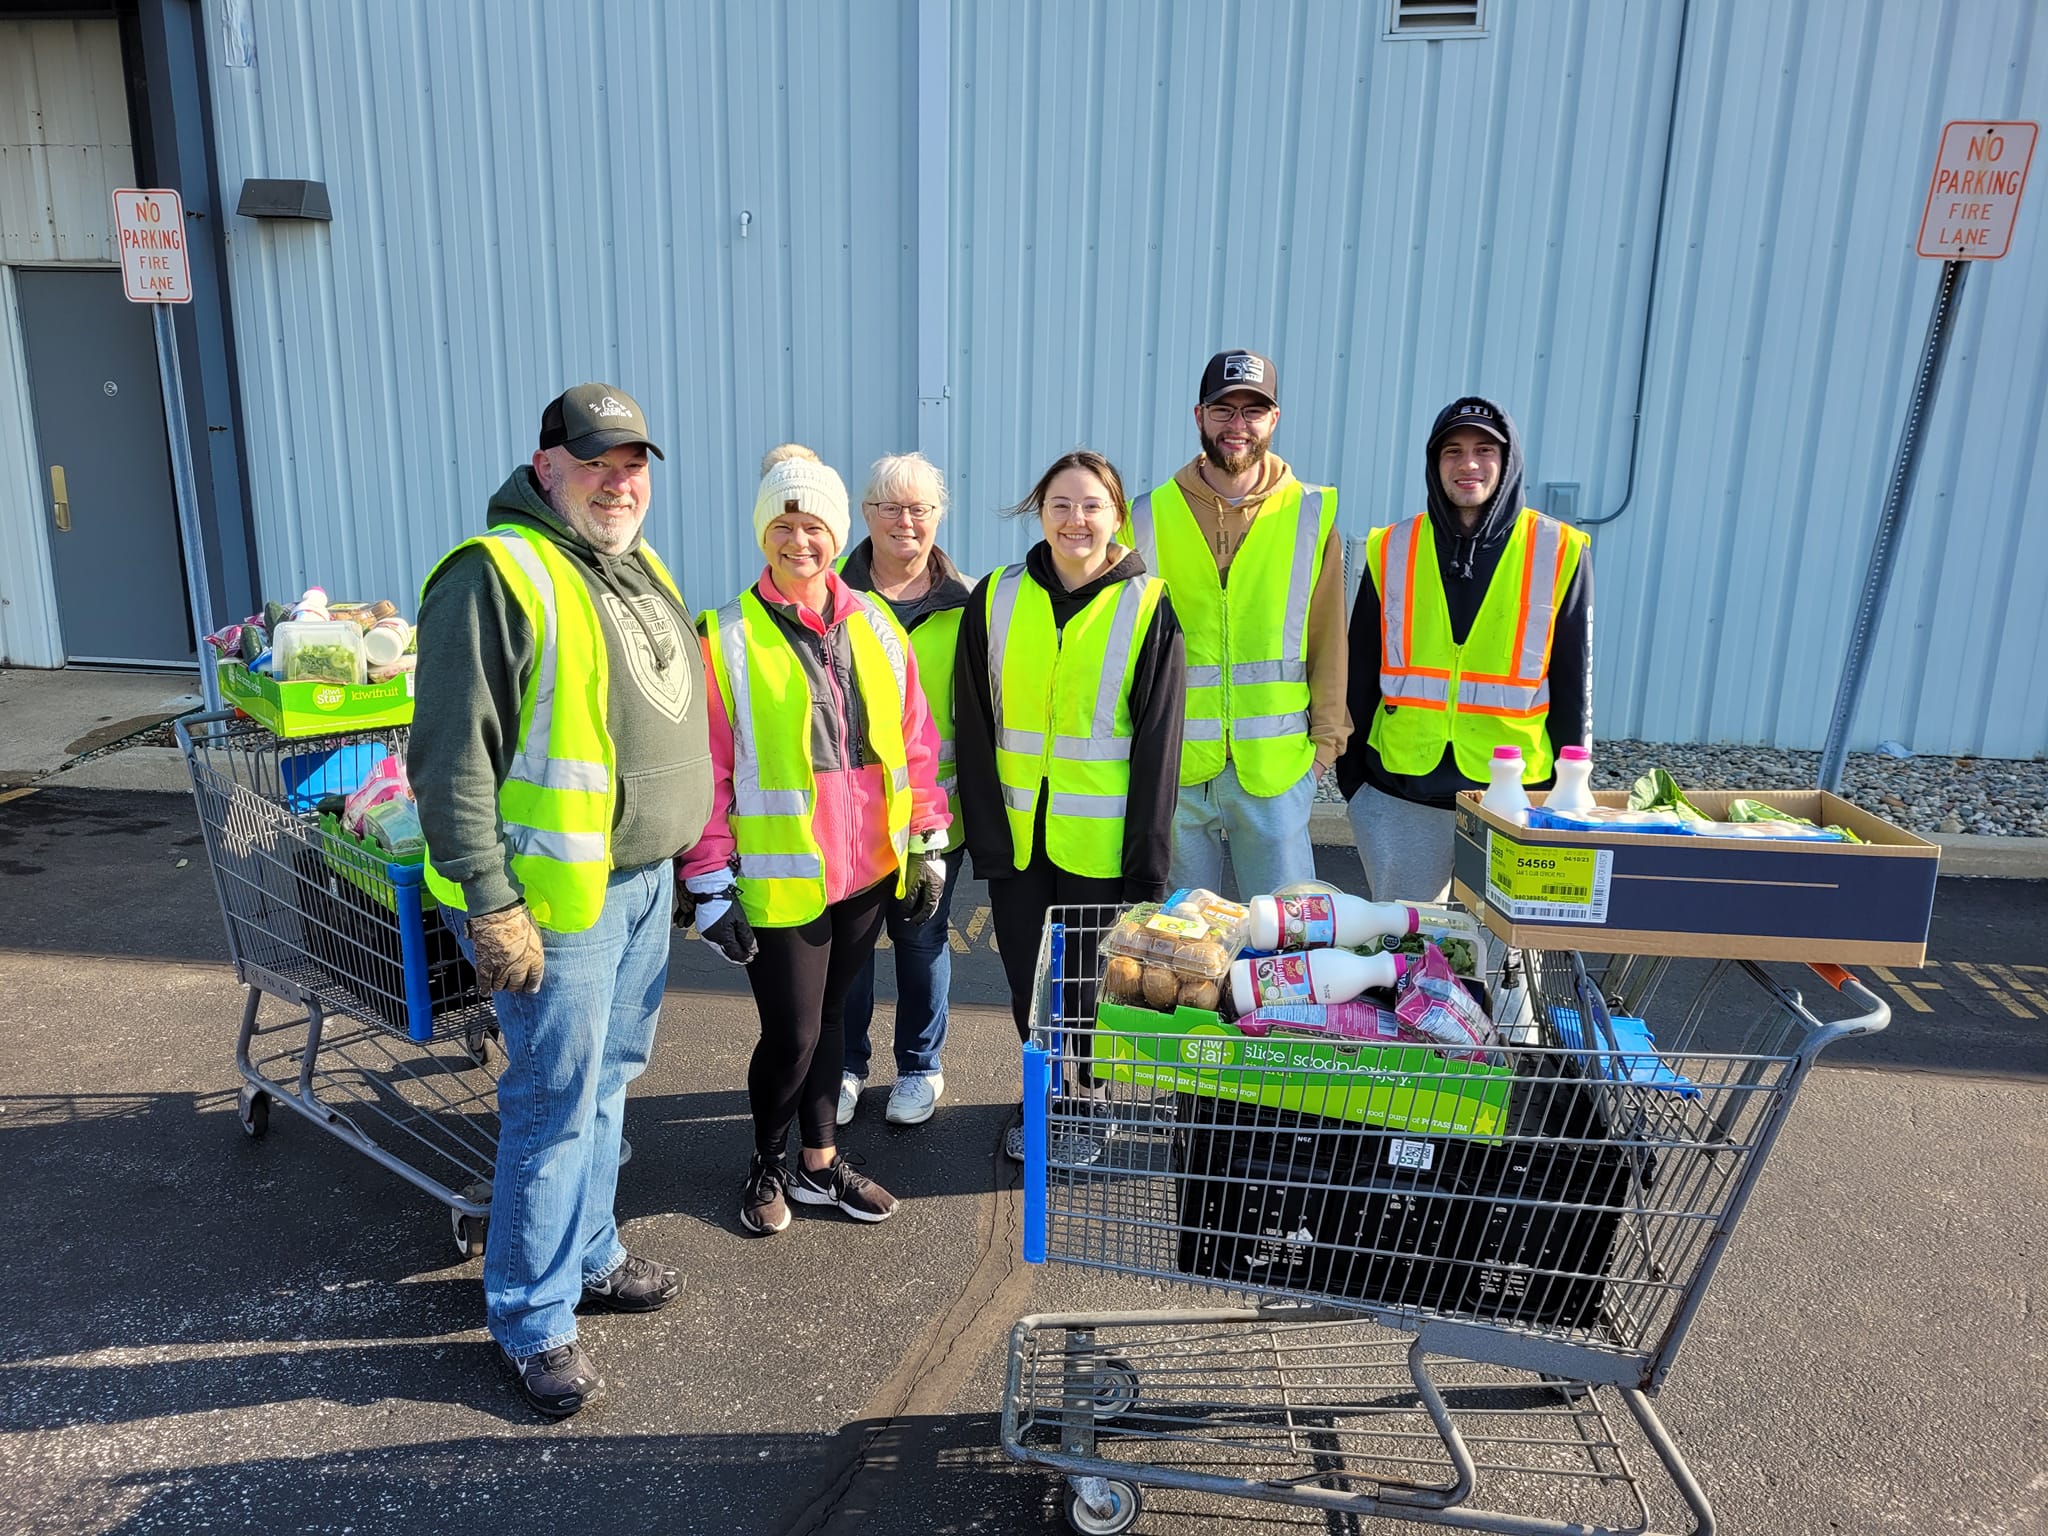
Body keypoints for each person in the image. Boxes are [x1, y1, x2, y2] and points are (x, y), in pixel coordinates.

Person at [412, 382, 711, 1420]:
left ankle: (590, 1255)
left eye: (632, 463)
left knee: (609, 1081)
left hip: (638, 882)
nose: (618, 480)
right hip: (555, 900)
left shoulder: (634, 563)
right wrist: (490, 901)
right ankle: (533, 1320)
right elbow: (450, 757)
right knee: (551, 1102)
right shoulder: (496, 574)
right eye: (594, 461)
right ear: (546, 467)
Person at [679, 447, 950, 1237]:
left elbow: (917, 744)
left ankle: (819, 1165)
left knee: (833, 1021)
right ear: (764, 533)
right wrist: (707, 882)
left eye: (815, 526)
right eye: (784, 525)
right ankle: (765, 1161)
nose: (800, 540)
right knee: (793, 1032)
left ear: (837, 534)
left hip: (865, 872)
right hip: (777, 876)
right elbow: (711, 771)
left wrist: (928, 840)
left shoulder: (875, 625)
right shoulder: (724, 636)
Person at [955, 449, 1186, 1162]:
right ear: (1039, 511)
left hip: (1102, 847)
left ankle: (1088, 1102)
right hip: (1019, 842)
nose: (1076, 519)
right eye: (1061, 504)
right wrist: (986, 835)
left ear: (1117, 516)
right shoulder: (995, 595)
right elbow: (974, 721)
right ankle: (1043, 1095)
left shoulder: (1148, 604)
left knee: (1089, 984)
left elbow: (1159, 743)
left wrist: (1145, 869)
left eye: (1092, 506)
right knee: (1028, 983)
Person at [1335, 397, 1592, 901]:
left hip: (1517, 793)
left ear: (1508, 460)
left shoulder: (1559, 549)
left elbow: (1573, 682)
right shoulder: (1390, 547)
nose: (1467, 464)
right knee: (1408, 954)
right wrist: (1356, 785)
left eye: (1483, 450)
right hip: (1401, 789)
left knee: (1509, 962)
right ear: (1434, 465)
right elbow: (1359, 670)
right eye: (1451, 451)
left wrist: (1569, 791)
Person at [1119, 349, 1348, 903]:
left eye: (1253, 410)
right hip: (1175, 769)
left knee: (1289, 942)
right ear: (1199, 416)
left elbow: (1328, 639)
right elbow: (1121, 644)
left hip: (1275, 771)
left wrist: (1323, 751)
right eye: (1224, 410)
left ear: (1274, 419)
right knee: (1184, 948)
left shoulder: (1310, 513)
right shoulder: (1144, 515)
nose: (1237, 426)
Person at [834, 452, 974, 1129]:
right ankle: (846, 1065)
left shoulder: (972, 606)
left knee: (922, 942)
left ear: (938, 516)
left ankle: (920, 1067)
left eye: (919, 507)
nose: (905, 521)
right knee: (852, 946)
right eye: (889, 506)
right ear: (865, 515)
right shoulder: (832, 599)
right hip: (852, 819)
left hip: (936, 816)